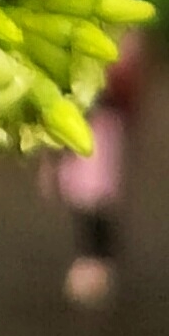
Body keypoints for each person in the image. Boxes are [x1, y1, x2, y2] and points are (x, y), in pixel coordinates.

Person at [55, 28, 148, 307]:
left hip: (102, 121)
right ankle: (92, 257)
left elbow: (123, 78)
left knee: (97, 192)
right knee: (82, 191)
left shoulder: (120, 36)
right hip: (83, 120)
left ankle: (98, 259)